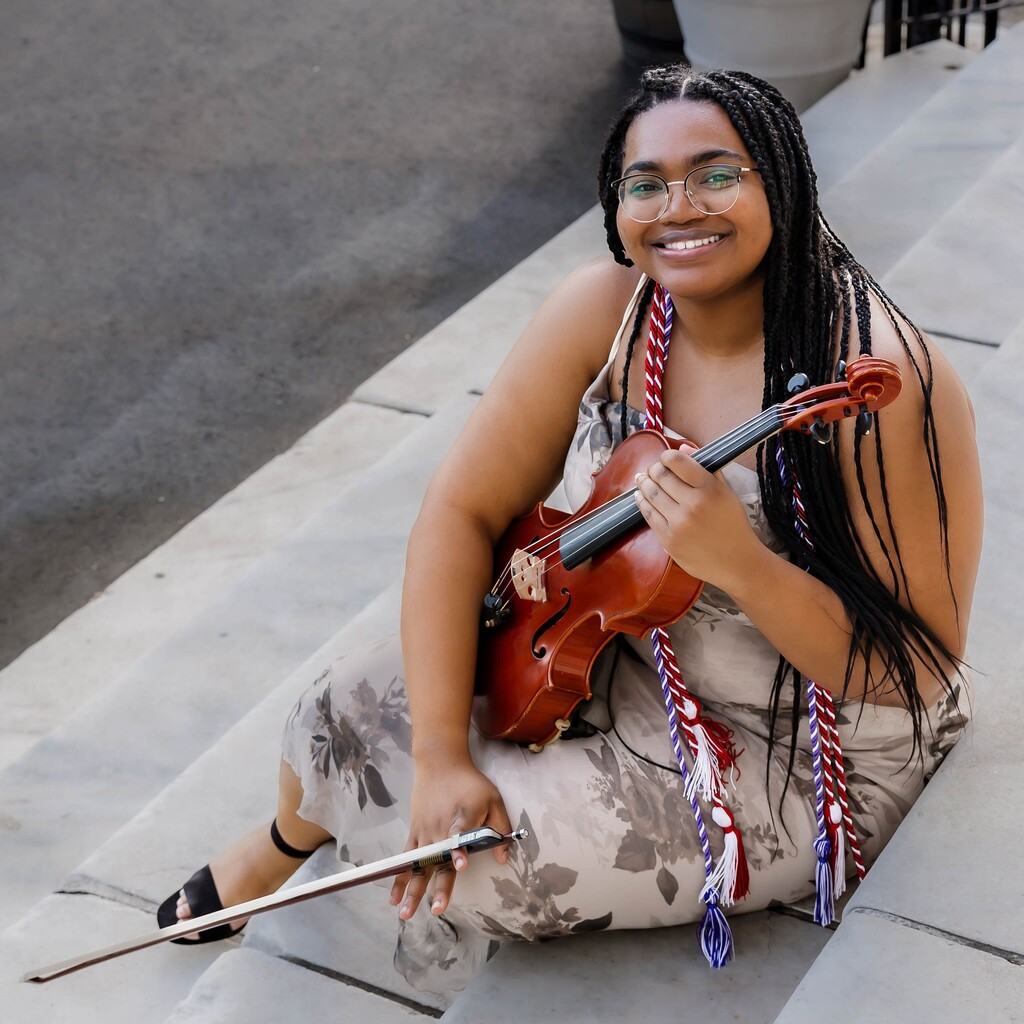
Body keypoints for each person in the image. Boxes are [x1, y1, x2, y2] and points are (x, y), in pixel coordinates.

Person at [159, 65, 982, 990]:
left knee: (485, 870)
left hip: (791, 745)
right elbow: (461, 511)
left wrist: (744, 565)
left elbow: (916, 672)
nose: (679, 208)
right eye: (646, 184)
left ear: (782, 185)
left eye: (718, 174)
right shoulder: (609, 311)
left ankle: (355, 825)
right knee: (338, 711)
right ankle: (282, 842)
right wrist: (439, 756)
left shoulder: (879, 378)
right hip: (617, 656)